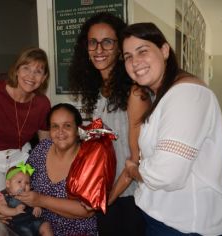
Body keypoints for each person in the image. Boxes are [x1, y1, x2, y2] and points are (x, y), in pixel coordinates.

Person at [121, 22, 222, 235]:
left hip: (188, 225)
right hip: (169, 219)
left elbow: (167, 174)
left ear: (165, 50)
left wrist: (134, 170)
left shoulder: (187, 95)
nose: (135, 62)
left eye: (143, 51)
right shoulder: (165, 93)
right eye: (128, 56)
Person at [68, 12, 148, 235]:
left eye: (107, 42)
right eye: (93, 42)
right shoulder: (96, 91)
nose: (99, 49)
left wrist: (106, 200)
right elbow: (105, 140)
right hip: (106, 191)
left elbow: (136, 160)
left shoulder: (135, 93)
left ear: (121, 49)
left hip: (131, 197)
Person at [0, 103, 98, 235]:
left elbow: (87, 211)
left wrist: (41, 200)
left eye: (67, 125)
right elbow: (19, 178)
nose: (60, 131)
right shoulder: (42, 149)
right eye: (55, 126)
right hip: (37, 228)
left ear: (78, 129)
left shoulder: (89, 160)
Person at [0, 47, 51, 213]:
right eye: (26, 68)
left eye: (38, 71)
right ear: (17, 70)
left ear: (44, 78)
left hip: (20, 159)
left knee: (21, 212)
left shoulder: (42, 104)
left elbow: (45, 144)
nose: (31, 76)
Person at [0, 162, 53, 236]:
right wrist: (15, 211)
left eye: (27, 183)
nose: (23, 186)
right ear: (8, 184)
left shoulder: (28, 194)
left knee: (46, 225)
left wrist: (37, 206)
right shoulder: (3, 195)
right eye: (19, 182)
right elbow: (1, 208)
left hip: (32, 220)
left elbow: (34, 201)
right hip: (18, 226)